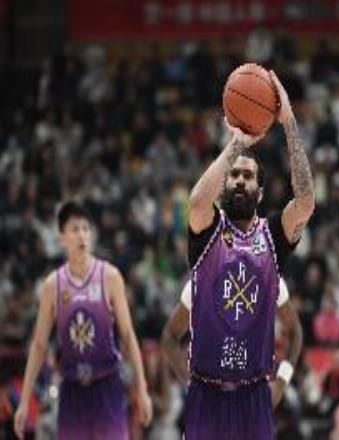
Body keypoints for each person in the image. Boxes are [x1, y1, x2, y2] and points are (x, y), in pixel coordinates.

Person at [162, 70, 312, 440]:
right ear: (224, 184)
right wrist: (237, 143)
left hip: (254, 394)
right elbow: (198, 201)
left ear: (260, 192)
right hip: (206, 391)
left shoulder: (272, 238)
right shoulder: (207, 234)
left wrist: (289, 122)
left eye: (248, 176)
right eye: (234, 175)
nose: (240, 180)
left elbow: (306, 202)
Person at [14, 201, 152, 439]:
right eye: (75, 229)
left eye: (86, 229)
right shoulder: (52, 286)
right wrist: (24, 401)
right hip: (72, 390)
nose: (82, 235)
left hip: (107, 385)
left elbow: (129, 336)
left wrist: (142, 389)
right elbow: (38, 345)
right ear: (62, 238)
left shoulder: (110, 277)